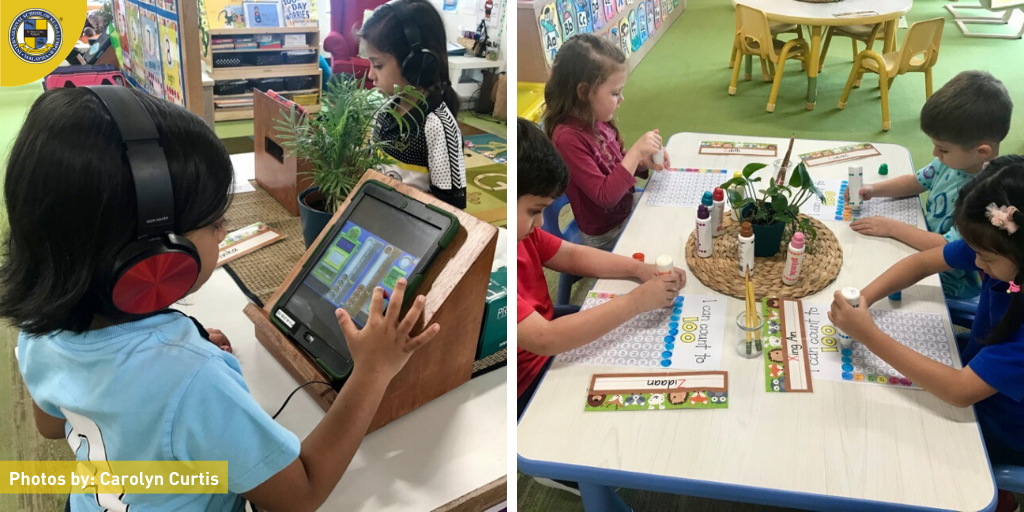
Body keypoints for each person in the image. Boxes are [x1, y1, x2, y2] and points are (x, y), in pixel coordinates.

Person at [1, 88, 439, 511]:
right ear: (155, 258)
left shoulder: (41, 331)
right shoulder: (191, 378)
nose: (224, 231)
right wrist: (373, 370)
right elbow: (301, 493)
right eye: (215, 222)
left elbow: (52, 424)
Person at [830, 155, 1024, 512]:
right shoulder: (996, 246)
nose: (976, 262)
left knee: (894, 459)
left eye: (984, 258)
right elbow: (923, 262)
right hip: (977, 371)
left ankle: (998, 496)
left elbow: (959, 391)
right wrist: (865, 300)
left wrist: (868, 334)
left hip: (1003, 429)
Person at [516, 117, 685, 420]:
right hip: (528, 382)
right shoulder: (498, 263)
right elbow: (546, 339)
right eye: (533, 211)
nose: (540, 223)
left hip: (548, 339)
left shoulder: (523, 233)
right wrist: (635, 302)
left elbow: (570, 255)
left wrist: (638, 268)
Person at [845, 70, 1012, 299]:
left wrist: (892, 228)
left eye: (942, 149)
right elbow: (917, 181)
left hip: (949, 280)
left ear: (981, 151)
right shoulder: (952, 161)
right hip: (920, 249)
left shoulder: (988, 198)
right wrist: (873, 190)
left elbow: (944, 246)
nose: (935, 153)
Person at [543, 33, 669, 250]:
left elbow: (616, 166)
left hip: (624, 213)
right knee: (666, 238)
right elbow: (605, 196)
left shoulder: (598, 120)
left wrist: (642, 162)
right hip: (605, 235)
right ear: (584, 92)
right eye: (615, 93)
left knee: (674, 215)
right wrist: (635, 153)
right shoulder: (567, 138)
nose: (622, 99)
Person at [360, 0, 467, 209]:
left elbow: (452, 207)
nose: (371, 75)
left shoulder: (438, 126)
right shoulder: (384, 110)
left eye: (378, 65)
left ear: (415, 64)